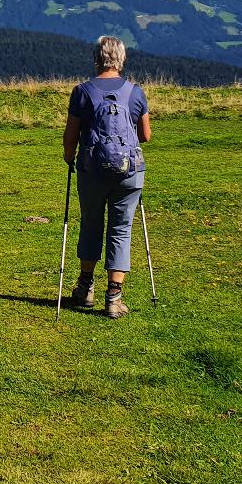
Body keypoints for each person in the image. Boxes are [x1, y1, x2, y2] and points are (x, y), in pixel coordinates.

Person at [63, 35, 152, 319]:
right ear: (121, 59)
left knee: (91, 224)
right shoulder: (135, 92)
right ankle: (114, 298)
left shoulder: (82, 91)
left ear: (96, 58)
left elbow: (71, 136)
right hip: (129, 172)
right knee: (121, 229)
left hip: (92, 169)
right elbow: (146, 136)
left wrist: (69, 157)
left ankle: (84, 288)